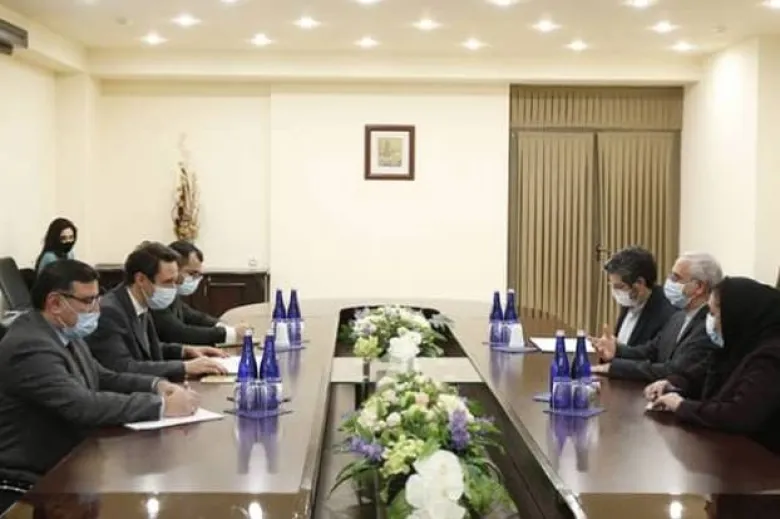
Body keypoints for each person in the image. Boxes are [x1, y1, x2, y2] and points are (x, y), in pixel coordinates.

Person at [0, 260, 199, 513]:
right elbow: (82, 405)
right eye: (88, 301)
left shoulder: (64, 332)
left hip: (70, 464)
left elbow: (103, 377)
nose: (96, 309)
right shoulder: (30, 346)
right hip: (30, 483)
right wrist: (161, 406)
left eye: (97, 299)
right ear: (55, 303)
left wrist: (157, 386)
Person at [646, 277, 780, 453]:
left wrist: (681, 406)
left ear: (736, 315)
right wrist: (672, 383)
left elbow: (740, 415)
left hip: (761, 460)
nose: (709, 321)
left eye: (713, 313)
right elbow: (701, 374)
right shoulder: (739, 344)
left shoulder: (771, 357)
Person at [86, 242, 228, 381]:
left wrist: (185, 351)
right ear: (141, 279)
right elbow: (123, 366)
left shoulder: (142, 301)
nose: (173, 288)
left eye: (175, 281)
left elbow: (147, 349)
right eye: (167, 282)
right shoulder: (110, 312)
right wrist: (184, 367)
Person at [591, 253, 721, 382]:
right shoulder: (678, 317)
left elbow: (674, 370)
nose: (669, 282)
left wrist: (616, 368)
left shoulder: (711, 325)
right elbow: (651, 351)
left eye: (676, 278)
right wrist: (617, 350)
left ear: (699, 287)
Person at [151, 240, 249, 345]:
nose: (196, 279)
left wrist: (224, 326)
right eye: (192, 273)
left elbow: (192, 316)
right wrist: (229, 333)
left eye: (198, 274)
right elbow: (179, 333)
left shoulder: (171, 293)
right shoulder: (157, 297)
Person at [603, 246, 676, 346]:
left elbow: (654, 353)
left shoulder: (667, 313)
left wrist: (618, 351)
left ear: (640, 283)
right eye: (612, 285)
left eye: (619, 286)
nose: (615, 291)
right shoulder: (630, 301)